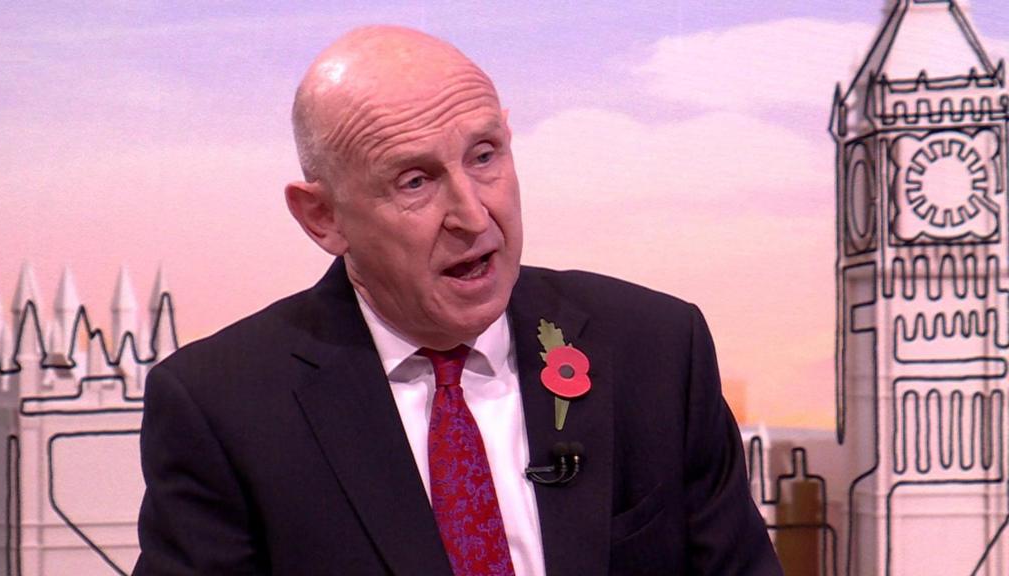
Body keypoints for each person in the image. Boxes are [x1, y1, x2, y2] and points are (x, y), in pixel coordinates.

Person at [133, 25, 781, 576]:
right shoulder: (222, 410)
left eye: (484, 155)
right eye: (415, 181)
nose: (473, 215)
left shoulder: (657, 351)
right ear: (323, 217)